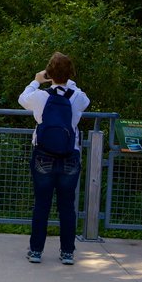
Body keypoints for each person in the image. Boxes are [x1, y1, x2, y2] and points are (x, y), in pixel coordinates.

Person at [18, 51, 91, 265]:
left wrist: (36, 80)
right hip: (70, 155)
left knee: (42, 204)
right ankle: (67, 252)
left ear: (49, 73)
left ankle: (36, 251)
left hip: (43, 154)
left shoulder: (41, 96)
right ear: (70, 74)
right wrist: (70, 82)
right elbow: (85, 99)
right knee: (67, 206)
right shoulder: (76, 96)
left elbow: (22, 99)